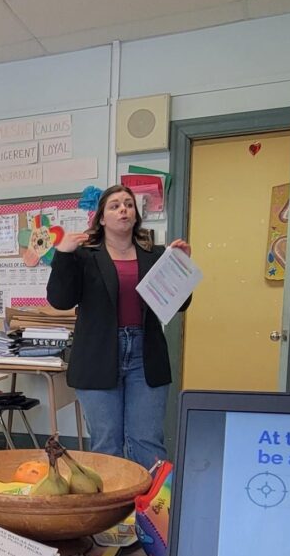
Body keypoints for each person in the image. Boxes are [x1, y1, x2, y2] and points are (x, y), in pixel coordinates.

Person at [46, 185, 191, 469]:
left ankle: (151, 514)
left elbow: (179, 305)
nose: (123, 209)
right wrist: (63, 255)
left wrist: (181, 265)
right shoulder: (84, 256)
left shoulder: (157, 255)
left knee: (148, 443)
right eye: (114, 206)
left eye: (128, 204)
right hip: (98, 355)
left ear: (136, 216)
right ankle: (112, 514)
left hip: (145, 356)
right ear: (100, 218)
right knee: (106, 443)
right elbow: (60, 300)